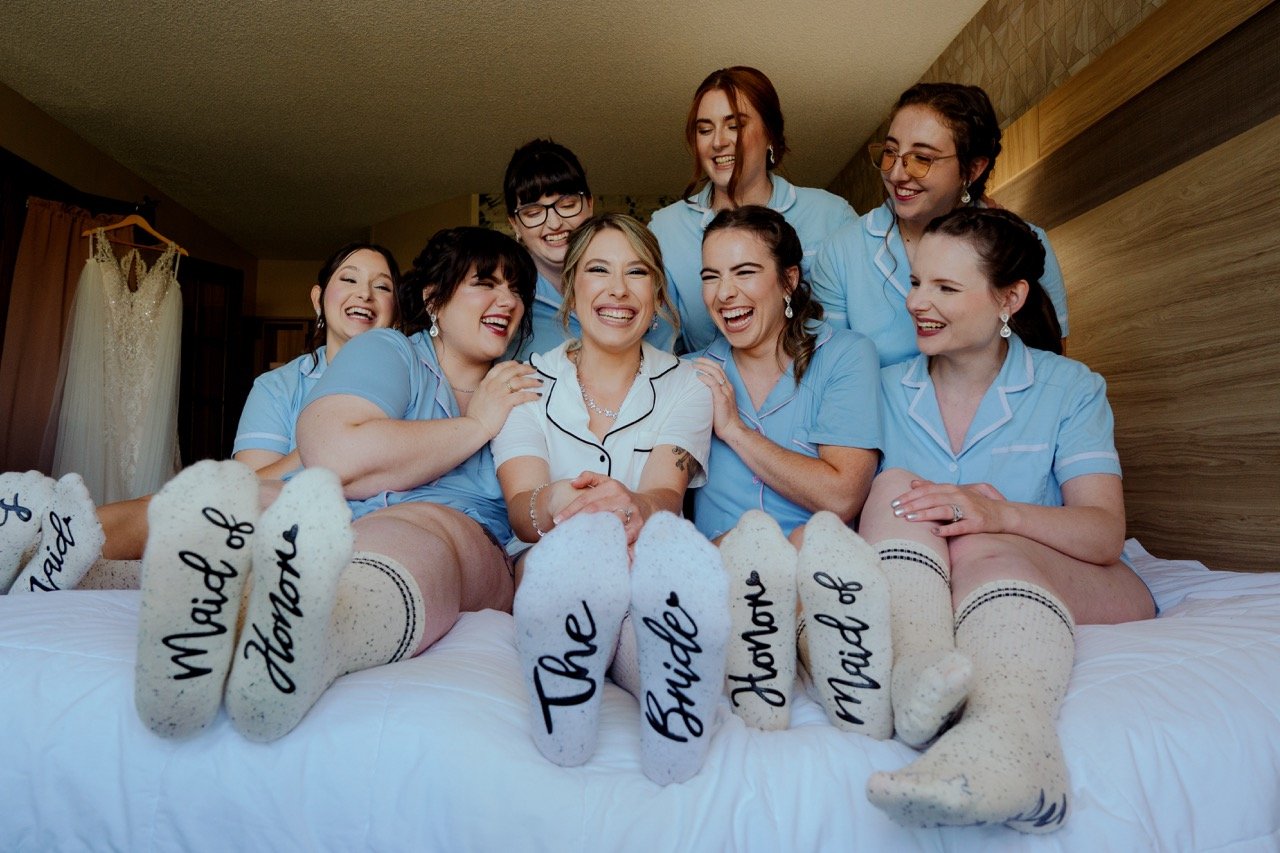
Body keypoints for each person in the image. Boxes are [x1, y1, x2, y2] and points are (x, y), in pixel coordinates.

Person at [132, 226, 541, 744]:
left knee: (421, 528)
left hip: (457, 536)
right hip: (346, 518)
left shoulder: (523, 383)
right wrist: (475, 426)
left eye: (516, 290)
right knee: (247, 499)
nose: (508, 301)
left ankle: (308, 644)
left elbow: (528, 501)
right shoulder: (390, 351)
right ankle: (199, 615)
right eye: (486, 283)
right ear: (433, 298)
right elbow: (336, 453)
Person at [856, 207, 1153, 833]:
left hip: (1078, 580)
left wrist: (997, 513)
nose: (917, 303)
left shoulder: (1069, 388)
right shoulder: (878, 389)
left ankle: (1015, 737)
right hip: (928, 588)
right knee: (896, 487)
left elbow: (1104, 532)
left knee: (978, 543)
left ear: (1009, 298)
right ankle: (918, 669)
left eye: (945, 287)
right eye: (916, 282)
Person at [0, 242, 400, 593]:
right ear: (319, 298)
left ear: (395, 308)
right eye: (349, 279)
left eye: (382, 286)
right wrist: (328, 448)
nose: (365, 294)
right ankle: (31, 542)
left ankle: (54, 560)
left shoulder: (417, 381)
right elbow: (251, 482)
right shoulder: (278, 386)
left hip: (373, 535)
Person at [491, 213, 723, 786]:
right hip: (548, 560)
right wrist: (561, 502)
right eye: (599, 270)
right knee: (570, 567)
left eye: (636, 273)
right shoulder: (523, 383)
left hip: (642, 556)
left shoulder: (689, 384)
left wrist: (631, 506)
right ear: (572, 289)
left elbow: (664, 496)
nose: (618, 290)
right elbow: (522, 513)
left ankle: (665, 699)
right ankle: (579, 682)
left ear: (658, 294)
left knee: (640, 591)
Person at [687, 205, 890, 735]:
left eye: (744, 272)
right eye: (711, 276)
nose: (724, 293)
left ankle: (825, 675)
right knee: (747, 556)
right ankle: (780, 667)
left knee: (808, 543)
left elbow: (842, 495)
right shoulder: (690, 375)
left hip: (819, 570)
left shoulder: (845, 356)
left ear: (789, 280)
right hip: (725, 571)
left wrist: (734, 431)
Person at [811, 82, 1070, 367]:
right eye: (890, 152)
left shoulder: (1025, 248)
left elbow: (1052, 364)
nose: (896, 174)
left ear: (973, 168)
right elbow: (834, 373)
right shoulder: (840, 252)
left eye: (922, 158)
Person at [649, 66, 855, 353]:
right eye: (705, 130)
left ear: (770, 133)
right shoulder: (665, 230)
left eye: (735, 126)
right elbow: (656, 350)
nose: (718, 142)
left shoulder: (831, 215)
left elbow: (858, 335)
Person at [503, 139, 675, 358]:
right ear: (514, 224)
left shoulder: (643, 282)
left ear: (590, 204)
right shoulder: (506, 299)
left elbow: (673, 360)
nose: (554, 224)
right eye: (533, 213)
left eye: (567, 205)